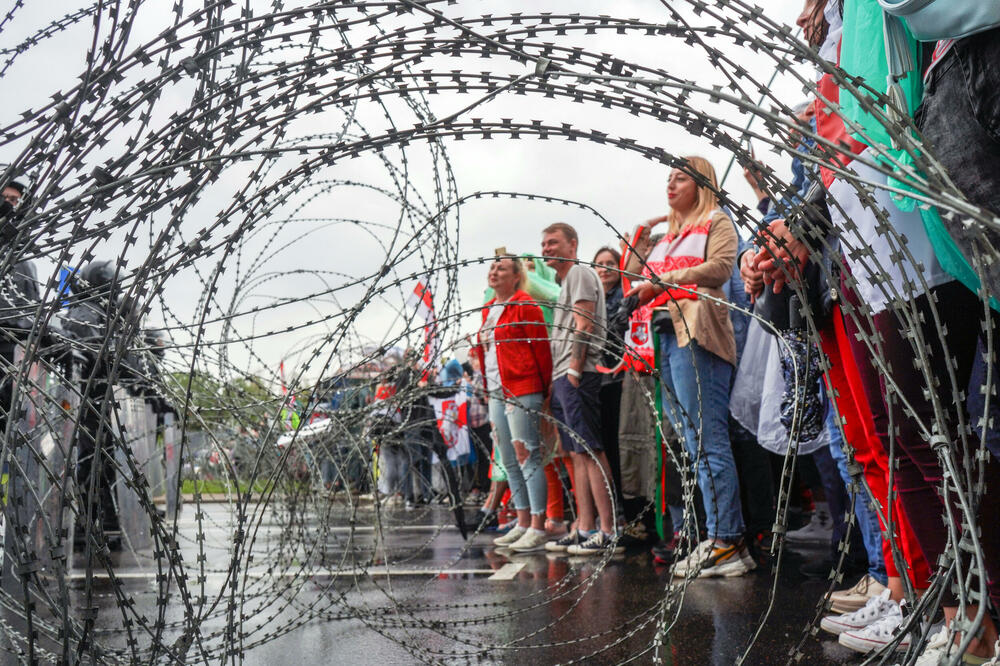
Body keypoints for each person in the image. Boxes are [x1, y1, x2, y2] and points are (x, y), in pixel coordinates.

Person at [626, 156, 753, 578]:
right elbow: (633, 275)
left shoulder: (717, 221)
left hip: (698, 335)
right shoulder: (669, 237)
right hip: (666, 338)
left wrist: (663, 283)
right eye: (668, 178)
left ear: (702, 184)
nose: (670, 184)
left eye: (680, 178)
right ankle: (719, 536)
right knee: (693, 444)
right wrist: (645, 229)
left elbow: (720, 268)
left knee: (707, 442)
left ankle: (726, 540)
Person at [540, 222, 622, 556]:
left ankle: (608, 530)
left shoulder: (580, 273)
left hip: (579, 373)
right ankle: (585, 527)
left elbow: (584, 323)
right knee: (577, 453)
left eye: (553, 242)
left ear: (572, 245)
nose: (546, 249)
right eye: (544, 244)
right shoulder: (566, 282)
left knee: (590, 449)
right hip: (565, 374)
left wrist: (574, 369)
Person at [474, 255, 554, 553]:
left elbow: (541, 351)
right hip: (496, 389)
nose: (494, 271)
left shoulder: (525, 306)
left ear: (516, 276)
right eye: (492, 267)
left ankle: (537, 525)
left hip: (522, 387)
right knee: (508, 459)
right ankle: (522, 521)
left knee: (526, 455)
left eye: (502, 268)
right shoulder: (488, 309)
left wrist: (544, 391)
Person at [592, 247, 628, 533]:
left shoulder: (625, 296)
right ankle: (614, 509)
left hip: (620, 378)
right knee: (605, 446)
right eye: (599, 264)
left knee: (620, 448)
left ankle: (626, 511)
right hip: (598, 381)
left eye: (610, 263)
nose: (604, 269)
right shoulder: (593, 299)